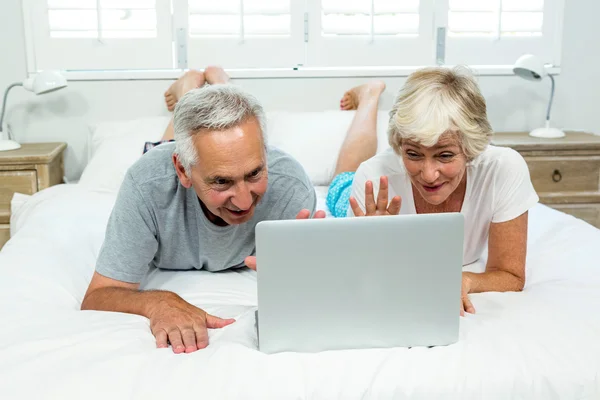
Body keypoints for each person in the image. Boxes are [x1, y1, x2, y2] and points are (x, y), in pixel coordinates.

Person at [81, 66, 325, 355]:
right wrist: (159, 302)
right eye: (221, 181)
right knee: (166, 144)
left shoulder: (290, 187)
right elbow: (98, 296)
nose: (245, 202)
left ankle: (219, 85)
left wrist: (309, 272)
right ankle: (189, 88)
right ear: (183, 171)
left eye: (255, 173)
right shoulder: (147, 184)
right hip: (166, 161)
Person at [327, 67, 539, 316]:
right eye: (413, 154)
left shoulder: (503, 168)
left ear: (470, 149)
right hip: (354, 190)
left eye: (445, 155)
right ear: (399, 146)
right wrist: (378, 243)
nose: (428, 175)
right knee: (342, 181)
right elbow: (358, 278)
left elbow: (510, 275)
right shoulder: (374, 176)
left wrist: (466, 279)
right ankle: (369, 97)